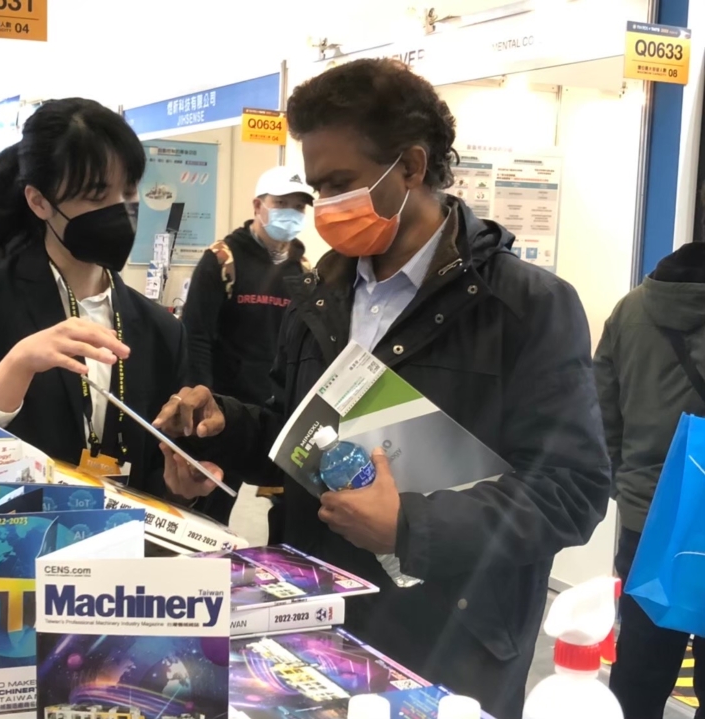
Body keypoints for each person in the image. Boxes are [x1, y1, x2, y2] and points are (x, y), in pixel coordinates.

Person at [153, 58, 610, 719]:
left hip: (453, 642)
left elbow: (571, 488)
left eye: (340, 184)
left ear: (412, 167)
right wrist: (223, 427)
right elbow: (297, 431)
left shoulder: (526, 306)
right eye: (318, 187)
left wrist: (410, 525)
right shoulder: (317, 293)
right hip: (317, 618)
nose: (327, 209)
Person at [0, 98, 191, 498]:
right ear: (39, 201)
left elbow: (163, 474)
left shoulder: (161, 330)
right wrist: (16, 368)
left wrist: (185, 481)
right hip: (8, 546)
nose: (120, 211)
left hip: (124, 553)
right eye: (96, 196)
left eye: (128, 192)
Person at [594, 240, 705, 719]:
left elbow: (601, 416)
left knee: (640, 666)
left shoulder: (630, 309)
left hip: (649, 520)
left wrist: (632, 485)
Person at [181, 167, 312, 531]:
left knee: (287, 518)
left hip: (276, 418)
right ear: (258, 205)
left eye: (299, 207)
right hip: (223, 414)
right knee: (208, 514)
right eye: (282, 204)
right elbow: (197, 337)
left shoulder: (303, 269)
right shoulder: (223, 260)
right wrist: (200, 399)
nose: (291, 213)